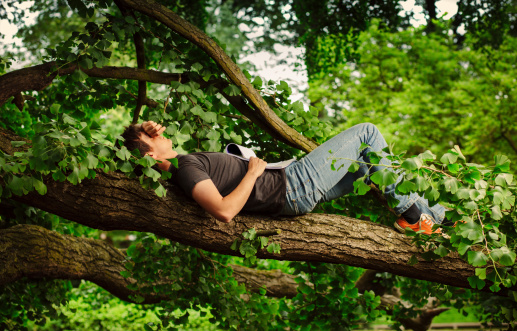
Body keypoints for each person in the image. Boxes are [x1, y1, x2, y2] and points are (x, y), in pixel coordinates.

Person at [122, 121, 446, 234]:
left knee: (370, 164)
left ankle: (437, 217)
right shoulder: (186, 169)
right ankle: (414, 215)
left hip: (292, 189)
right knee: (367, 134)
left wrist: (144, 128)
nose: (161, 133)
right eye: (152, 137)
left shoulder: (183, 165)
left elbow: (149, 144)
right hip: (291, 184)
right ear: (150, 154)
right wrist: (251, 173)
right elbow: (223, 211)